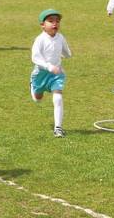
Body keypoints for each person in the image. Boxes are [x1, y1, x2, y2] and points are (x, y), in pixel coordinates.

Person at [30, 9, 72, 137]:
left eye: (57, 21)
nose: (55, 23)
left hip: (57, 73)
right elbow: (35, 58)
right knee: (38, 98)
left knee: (58, 97)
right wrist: (49, 66)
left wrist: (67, 55)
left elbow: (66, 51)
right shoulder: (40, 40)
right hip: (41, 74)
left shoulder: (60, 37)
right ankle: (33, 86)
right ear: (42, 25)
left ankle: (58, 128)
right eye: (51, 21)